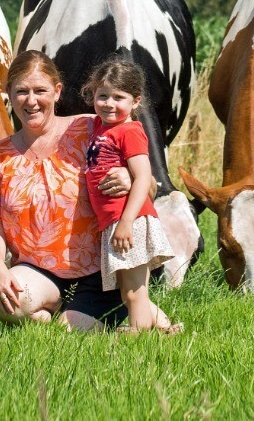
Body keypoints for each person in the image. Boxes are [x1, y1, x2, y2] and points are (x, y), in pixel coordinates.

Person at [0, 50, 140, 331]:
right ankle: (56, 308)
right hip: (37, 270)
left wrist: (129, 176)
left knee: (67, 333)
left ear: (57, 92)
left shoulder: (90, 129)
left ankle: (131, 310)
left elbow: (141, 165)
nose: (31, 100)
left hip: (101, 270)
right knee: (8, 302)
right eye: (21, 91)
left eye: (40, 90)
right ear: (9, 94)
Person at [82, 57, 181, 334]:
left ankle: (138, 338)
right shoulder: (103, 127)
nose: (109, 104)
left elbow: (141, 178)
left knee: (135, 291)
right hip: (116, 221)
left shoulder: (130, 131)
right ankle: (165, 327)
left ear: (136, 101)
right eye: (102, 96)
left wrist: (125, 222)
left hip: (130, 219)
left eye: (118, 97)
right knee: (130, 291)